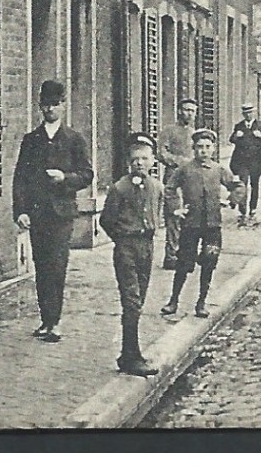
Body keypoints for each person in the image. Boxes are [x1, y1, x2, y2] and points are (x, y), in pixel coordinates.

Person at [12, 80, 94, 342]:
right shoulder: (31, 140)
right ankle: (45, 320)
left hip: (61, 214)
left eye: (54, 104)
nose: (50, 109)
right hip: (37, 214)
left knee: (57, 265)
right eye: (45, 105)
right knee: (41, 265)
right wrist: (20, 211)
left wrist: (65, 178)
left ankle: (55, 322)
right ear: (40, 107)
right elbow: (20, 178)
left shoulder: (73, 139)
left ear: (63, 106)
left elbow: (87, 174)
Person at [99, 136, 163, 376]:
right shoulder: (119, 188)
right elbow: (106, 220)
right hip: (126, 247)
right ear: (128, 161)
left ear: (152, 161)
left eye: (144, 158)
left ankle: (132, 353)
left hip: (147, 247)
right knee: (131, 302)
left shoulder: (156, 186)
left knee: (140, 300)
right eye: (135, 158)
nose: (139, 163)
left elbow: (158, 212)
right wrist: (122, 238)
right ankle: (129, 356)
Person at [162, 128, 241, 319]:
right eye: (199, 147)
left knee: (209, 263)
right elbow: (169, 189)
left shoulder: (219, 169)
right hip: (191, 225)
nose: (203, 151)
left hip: (213, 226)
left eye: (207, 147)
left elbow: (237, 185)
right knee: (183, 263)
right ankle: (173, 300)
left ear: (213, 149)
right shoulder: (185, 169)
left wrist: (231, 200)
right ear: (193, 149)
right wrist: (176, 210)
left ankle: (201, 302)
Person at [160, 99, 197, 270]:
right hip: (173, 179)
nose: (189, 113)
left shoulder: (194, 134)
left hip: (190, 180)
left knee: (189, 216)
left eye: (192, 111)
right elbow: (161, 152)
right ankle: (171, 255)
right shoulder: (169, 131)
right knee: (174, 215)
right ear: (179, 111)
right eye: (186, 110)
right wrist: (179, 161)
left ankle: (185, 254)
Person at [228, 103, 261, 228]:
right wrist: (236, 136)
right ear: (243, 114)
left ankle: (253, 210)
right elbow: (231, 139)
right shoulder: (239, 126)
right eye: (246, 113)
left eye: (250, 112)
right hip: (242, 162)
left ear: (254, 113)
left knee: (255, 186)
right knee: (243, 185)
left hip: (256, 162)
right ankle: (242, 212)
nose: (248, 115)